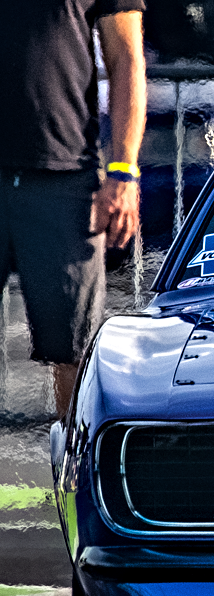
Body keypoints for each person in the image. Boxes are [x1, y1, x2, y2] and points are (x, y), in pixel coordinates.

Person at [1, 1, 146, 418]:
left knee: (75, 352)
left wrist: (123, 171)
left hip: (64, 179)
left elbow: (127, 59)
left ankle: (73, 461)